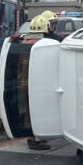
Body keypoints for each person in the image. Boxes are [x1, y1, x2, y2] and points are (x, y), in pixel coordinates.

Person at [25, 15, 57, 150]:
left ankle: (32, 137)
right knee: (38, 111)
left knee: (28, 112)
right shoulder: (42, 45)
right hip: (38, 84)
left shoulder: (24, 41)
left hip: (24, 83)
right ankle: (36, 140)